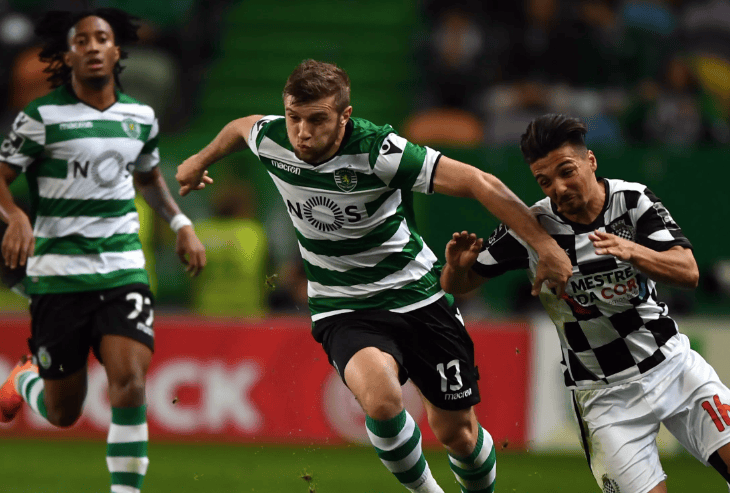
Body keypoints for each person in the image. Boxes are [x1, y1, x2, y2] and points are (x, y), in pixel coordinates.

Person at [176, 59, 572, 493]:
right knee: (382, 402)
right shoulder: (273, 138)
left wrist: (545, 245)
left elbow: (479, 182)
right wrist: (200, 159)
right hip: (343, 306)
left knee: (458, 434)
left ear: (344, 116)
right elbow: (240, 128)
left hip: (418, 297)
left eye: (317, 119)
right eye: (294, 117)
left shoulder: (379, 152)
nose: (302, 132)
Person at [440, 114, 730, 493]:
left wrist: (633, 251)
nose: (558, 188)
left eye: (566, 172)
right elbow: (459, 284)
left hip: (671, 365)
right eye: (544, 181)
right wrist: (455, 268)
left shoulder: (632, 201)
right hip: (604, 394)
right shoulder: (532, 227)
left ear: (591, 160)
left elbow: (688, 270)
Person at [0, 9, 206, 493]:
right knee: (63, 413)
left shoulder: (140, 117)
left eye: (102, 39)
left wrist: (181, 223)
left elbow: (148, 178)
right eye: (82, 41)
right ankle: (26, 378)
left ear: (117, 52)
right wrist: (16, 217)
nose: (93, 46)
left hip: (121, 269)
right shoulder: (40, 118)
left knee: (130, 382)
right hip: (58, 275)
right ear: (68, 55)